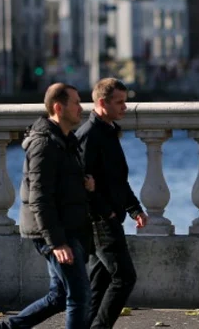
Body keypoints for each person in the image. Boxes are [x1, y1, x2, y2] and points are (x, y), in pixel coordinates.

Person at [0, 83, 94, 329]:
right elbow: (39, 197)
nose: (81, 108)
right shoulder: (44, 144)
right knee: (79, 296)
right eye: (76, 102)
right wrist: (57, 242)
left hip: (65, 227)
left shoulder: (64, 140)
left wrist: (84, 184)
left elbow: (60, 183)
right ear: (58, 107)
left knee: (58, 297)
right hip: (55, 231)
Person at [76, 78, 148, 329]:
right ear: (102, 103)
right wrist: (106, 214)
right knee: (124, 278)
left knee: (100, 283)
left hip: (108, 216)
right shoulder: (89, 135)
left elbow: (117, 179)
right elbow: (82, 184)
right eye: (120, 103)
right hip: (100, 220)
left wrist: (134, 208)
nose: (125, 108)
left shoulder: (107, 130)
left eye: (125, 102)